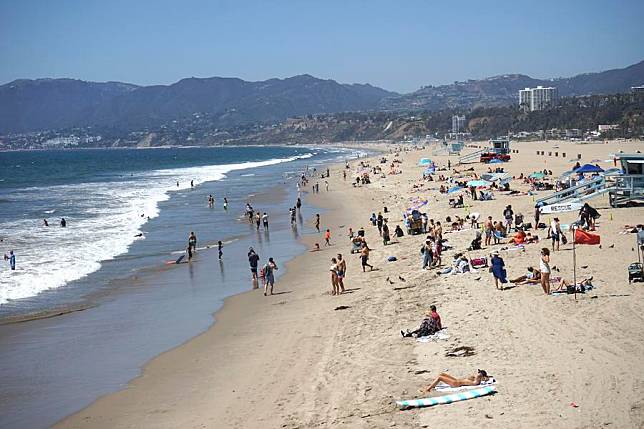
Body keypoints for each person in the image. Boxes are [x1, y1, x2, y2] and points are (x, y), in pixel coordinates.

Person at [424, 370, 490, 392]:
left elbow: (482, 379)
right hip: (456, 380)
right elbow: (478, 377)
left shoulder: (476, 382)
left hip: (455, 384)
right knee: (441, 374)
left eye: (479, 372)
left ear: (481, 376)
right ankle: (432, 386)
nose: (477, 373)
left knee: (439, 377)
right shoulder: (475, 379)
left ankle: (428, 389)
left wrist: (485, 378)